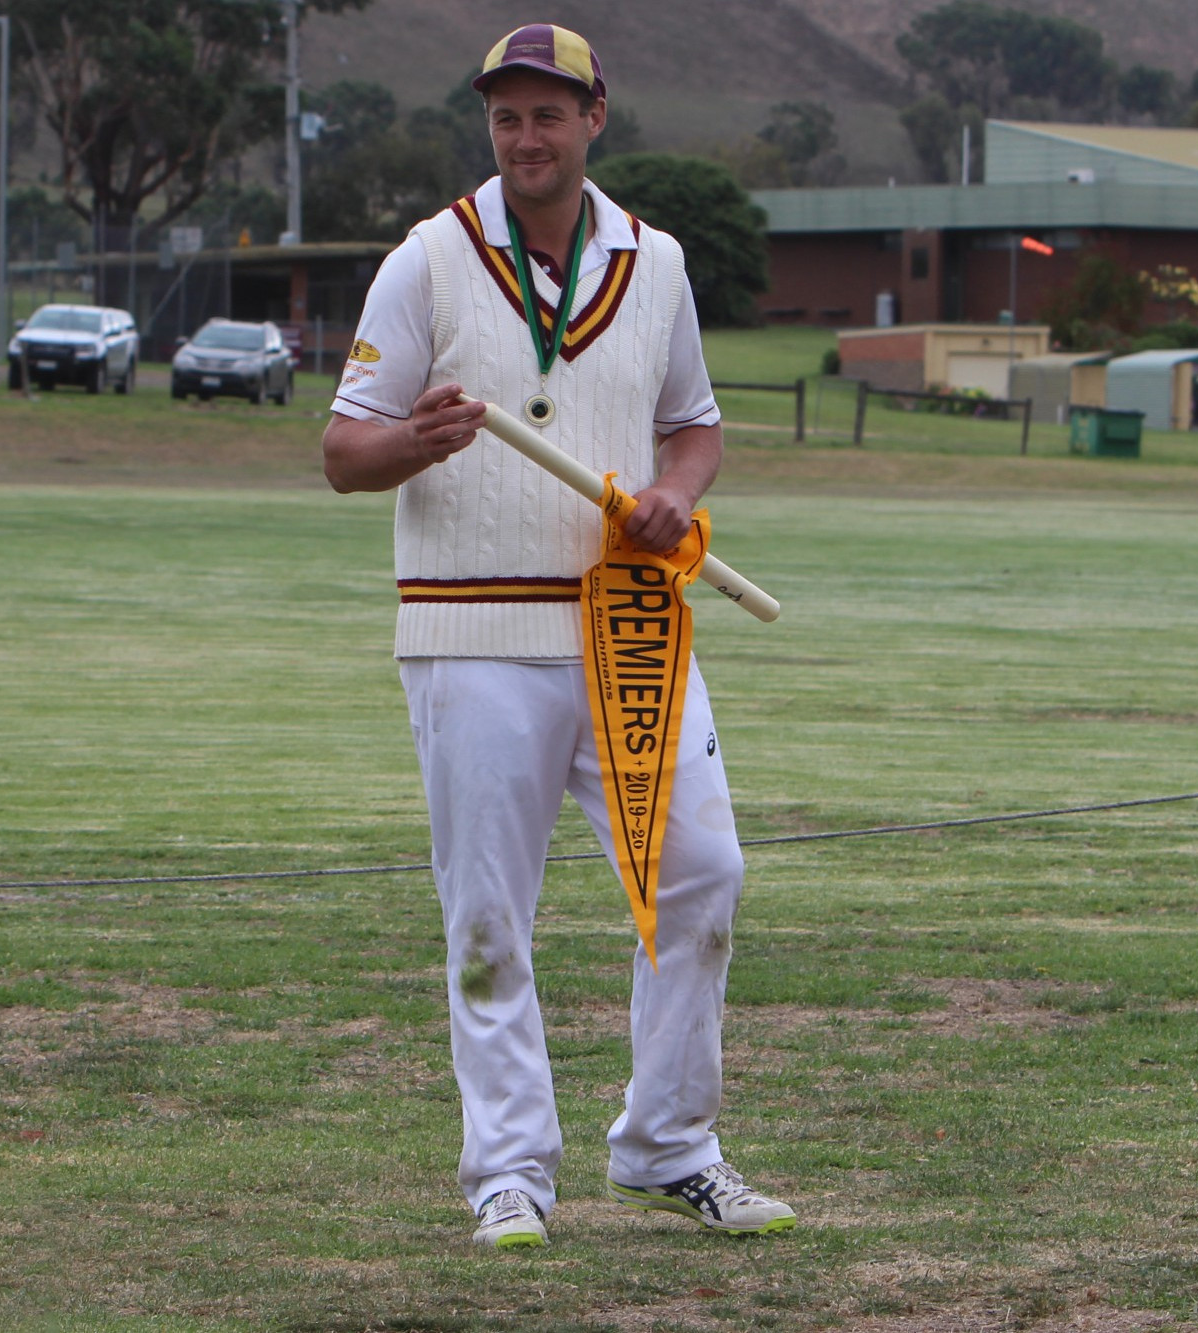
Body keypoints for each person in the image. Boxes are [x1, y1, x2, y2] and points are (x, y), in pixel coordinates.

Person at [321, 23, 796, 1250]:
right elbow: (342, 450)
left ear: (595, 116)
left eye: (547, 114)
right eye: (504, 117)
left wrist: (676, 497)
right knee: (487, 913)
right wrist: (412, 442)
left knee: (701, 873)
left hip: (628, 623)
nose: (524, 138)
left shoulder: (659, 260)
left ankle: (666, 1142)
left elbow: (690, 424)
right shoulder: (428, 259)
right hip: (469, 628)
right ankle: (509, 1174)